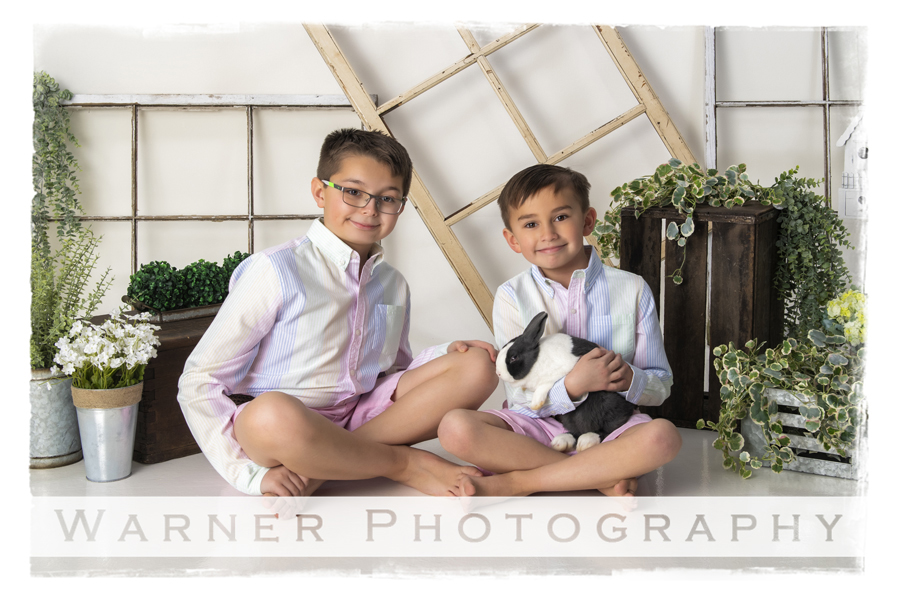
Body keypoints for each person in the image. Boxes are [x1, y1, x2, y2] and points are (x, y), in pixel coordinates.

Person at [178, 128, 498, 497]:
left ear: (401, 207)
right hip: (288, 425)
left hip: (362, 413)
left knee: (479, 365)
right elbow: (199, 380)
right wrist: (245, 474)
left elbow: (393, 373)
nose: (370, 209)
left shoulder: (393, 283)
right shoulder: (274, 270)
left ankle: (335, 461)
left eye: (387, 198)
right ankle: (403, 464)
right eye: (353, 192)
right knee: (269, 416)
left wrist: (446, 354)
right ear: (320, 191)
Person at [438, 164, 681, 497]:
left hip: (609, 423)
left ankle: (519, 480)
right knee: (455, 428)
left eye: (561, 217)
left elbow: (661, 384)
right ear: (513, 239)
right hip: (539, 425)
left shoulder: (633, 289)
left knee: (662, 437)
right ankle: (599, 476)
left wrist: (630, 379)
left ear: (587, 220)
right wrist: (570, 387)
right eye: (531, 224)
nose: (547, 233)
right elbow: (518, 396)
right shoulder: (512, 296)